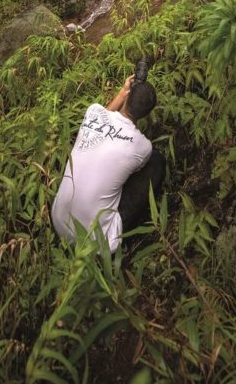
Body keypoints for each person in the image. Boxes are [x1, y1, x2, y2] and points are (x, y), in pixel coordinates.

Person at [51, 75, 165, 252]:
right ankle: (126, 235)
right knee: (157, 162)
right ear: (146, 114)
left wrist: (122, 92)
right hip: (96, 243)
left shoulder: (93, 111)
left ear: (127, 97)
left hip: (57, 220)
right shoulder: (143, 146)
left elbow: (103, 117)